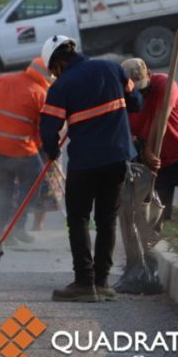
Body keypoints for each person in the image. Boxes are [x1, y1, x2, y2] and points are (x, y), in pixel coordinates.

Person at [40, 35, 142, 302]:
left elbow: (48, 127)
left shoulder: (62, 85)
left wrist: (52, 151)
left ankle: (84, 283)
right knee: (107, 219)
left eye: (52, 69)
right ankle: (103, 282)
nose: (53, 74)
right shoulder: (112, 68)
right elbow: (136, 103)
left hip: (86, 162)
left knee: (79, 219)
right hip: (118, 157)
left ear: (58, 63)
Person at [122, 58, 178, 262]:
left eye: (143, 88)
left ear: (148, 74)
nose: (141, 94)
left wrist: (150, 148)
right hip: (153, 166)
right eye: (136, 90)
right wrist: (142, 152)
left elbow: (162, 117)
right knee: (156, 215)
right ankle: (156, 261)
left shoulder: (164, 84)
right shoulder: (124, 97)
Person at [0, 57, 50, 244]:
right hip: (23, 151)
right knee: (33, 184)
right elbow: (43, 130)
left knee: (3, 191)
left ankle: (4, 230)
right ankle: (17, 225)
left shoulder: (4, 79)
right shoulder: (40, 94)